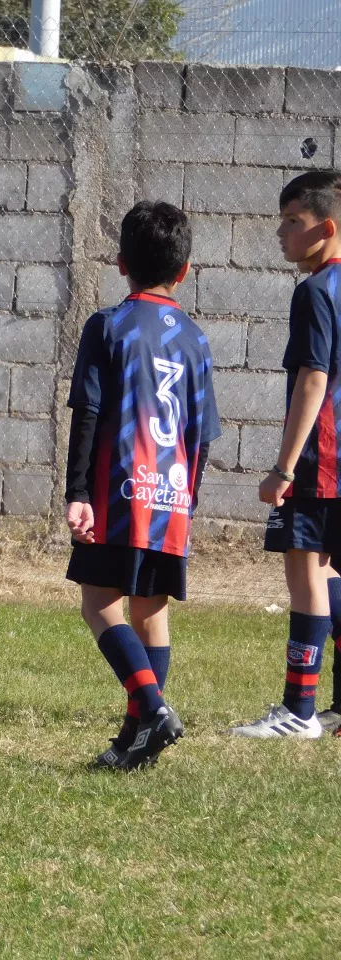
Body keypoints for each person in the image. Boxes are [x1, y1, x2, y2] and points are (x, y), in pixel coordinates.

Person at [65, 201, 220, 769]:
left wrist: (77, 492)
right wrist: (187, 500)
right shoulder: (196, 340)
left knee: (98, 604)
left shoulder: (108, 325)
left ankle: (152, 708)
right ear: (183, 272)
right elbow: (201, 436)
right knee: (151, 611)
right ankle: (137, 744)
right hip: (171, 496)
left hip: (120, 491)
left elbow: (87, 411)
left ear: (120, 261)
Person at [233, 171, 341, 739]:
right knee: (329, 572)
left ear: (325, 229)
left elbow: (313, 381)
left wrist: (283, 468)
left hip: (322, 461)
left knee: (305, 577)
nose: (281, 232)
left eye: (293, 222)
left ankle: (299, 712)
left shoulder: (317, 291)